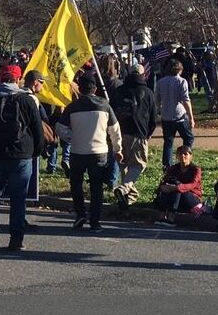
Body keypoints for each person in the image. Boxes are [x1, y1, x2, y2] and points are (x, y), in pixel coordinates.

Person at [0, 66, 44, 251]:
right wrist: (36, 151)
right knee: (18, 197)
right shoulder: (27, 100)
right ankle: (16, 238)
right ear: (19, 79)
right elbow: (37, 129)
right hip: (21, 154)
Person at [56, 75, 123, 232]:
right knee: (97, 187)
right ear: (95, 89)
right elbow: (115, 129)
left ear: (79, 88)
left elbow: (60, 127)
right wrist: (117, 149)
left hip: (77, 151)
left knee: (76, 184)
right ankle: (95, 221)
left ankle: (80, 213)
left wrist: (72, 137)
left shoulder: (72, 107)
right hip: (99, 152)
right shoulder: (105, 106)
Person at [110, 64, 159, 209]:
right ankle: (125, 188)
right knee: (138, 165)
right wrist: (148, 134)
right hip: (138, 132)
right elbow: (153, 117)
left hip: (119, 132)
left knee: (124, 165)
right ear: (143, 75)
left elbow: (111, 112)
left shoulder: (119, 91)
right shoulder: (148, 92)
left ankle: (128, 198)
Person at [155, 59, 195, 169]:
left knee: (168, 142)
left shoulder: (160, 82)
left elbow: (157, 100)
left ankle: (167, 165)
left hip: (166, 116)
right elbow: (186, 100)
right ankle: (185, 156)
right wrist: (191, 117)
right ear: (180, 70)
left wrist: (158, 112)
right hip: (179, 115)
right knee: (188, 138)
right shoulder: (181, 81)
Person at [155, 145, 204, 223]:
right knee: (170, 186)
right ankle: (162, 215)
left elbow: (192, 184)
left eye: (185, 154)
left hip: (192, 198)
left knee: (178, 188)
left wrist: (177, 187)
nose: (182, 156)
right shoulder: (173, 168)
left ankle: (171, 217)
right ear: (177, 156)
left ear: (190, 156)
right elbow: (164, 181)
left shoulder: (195, 169)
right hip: (176, 199)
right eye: (180, 154)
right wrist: (163, 187)